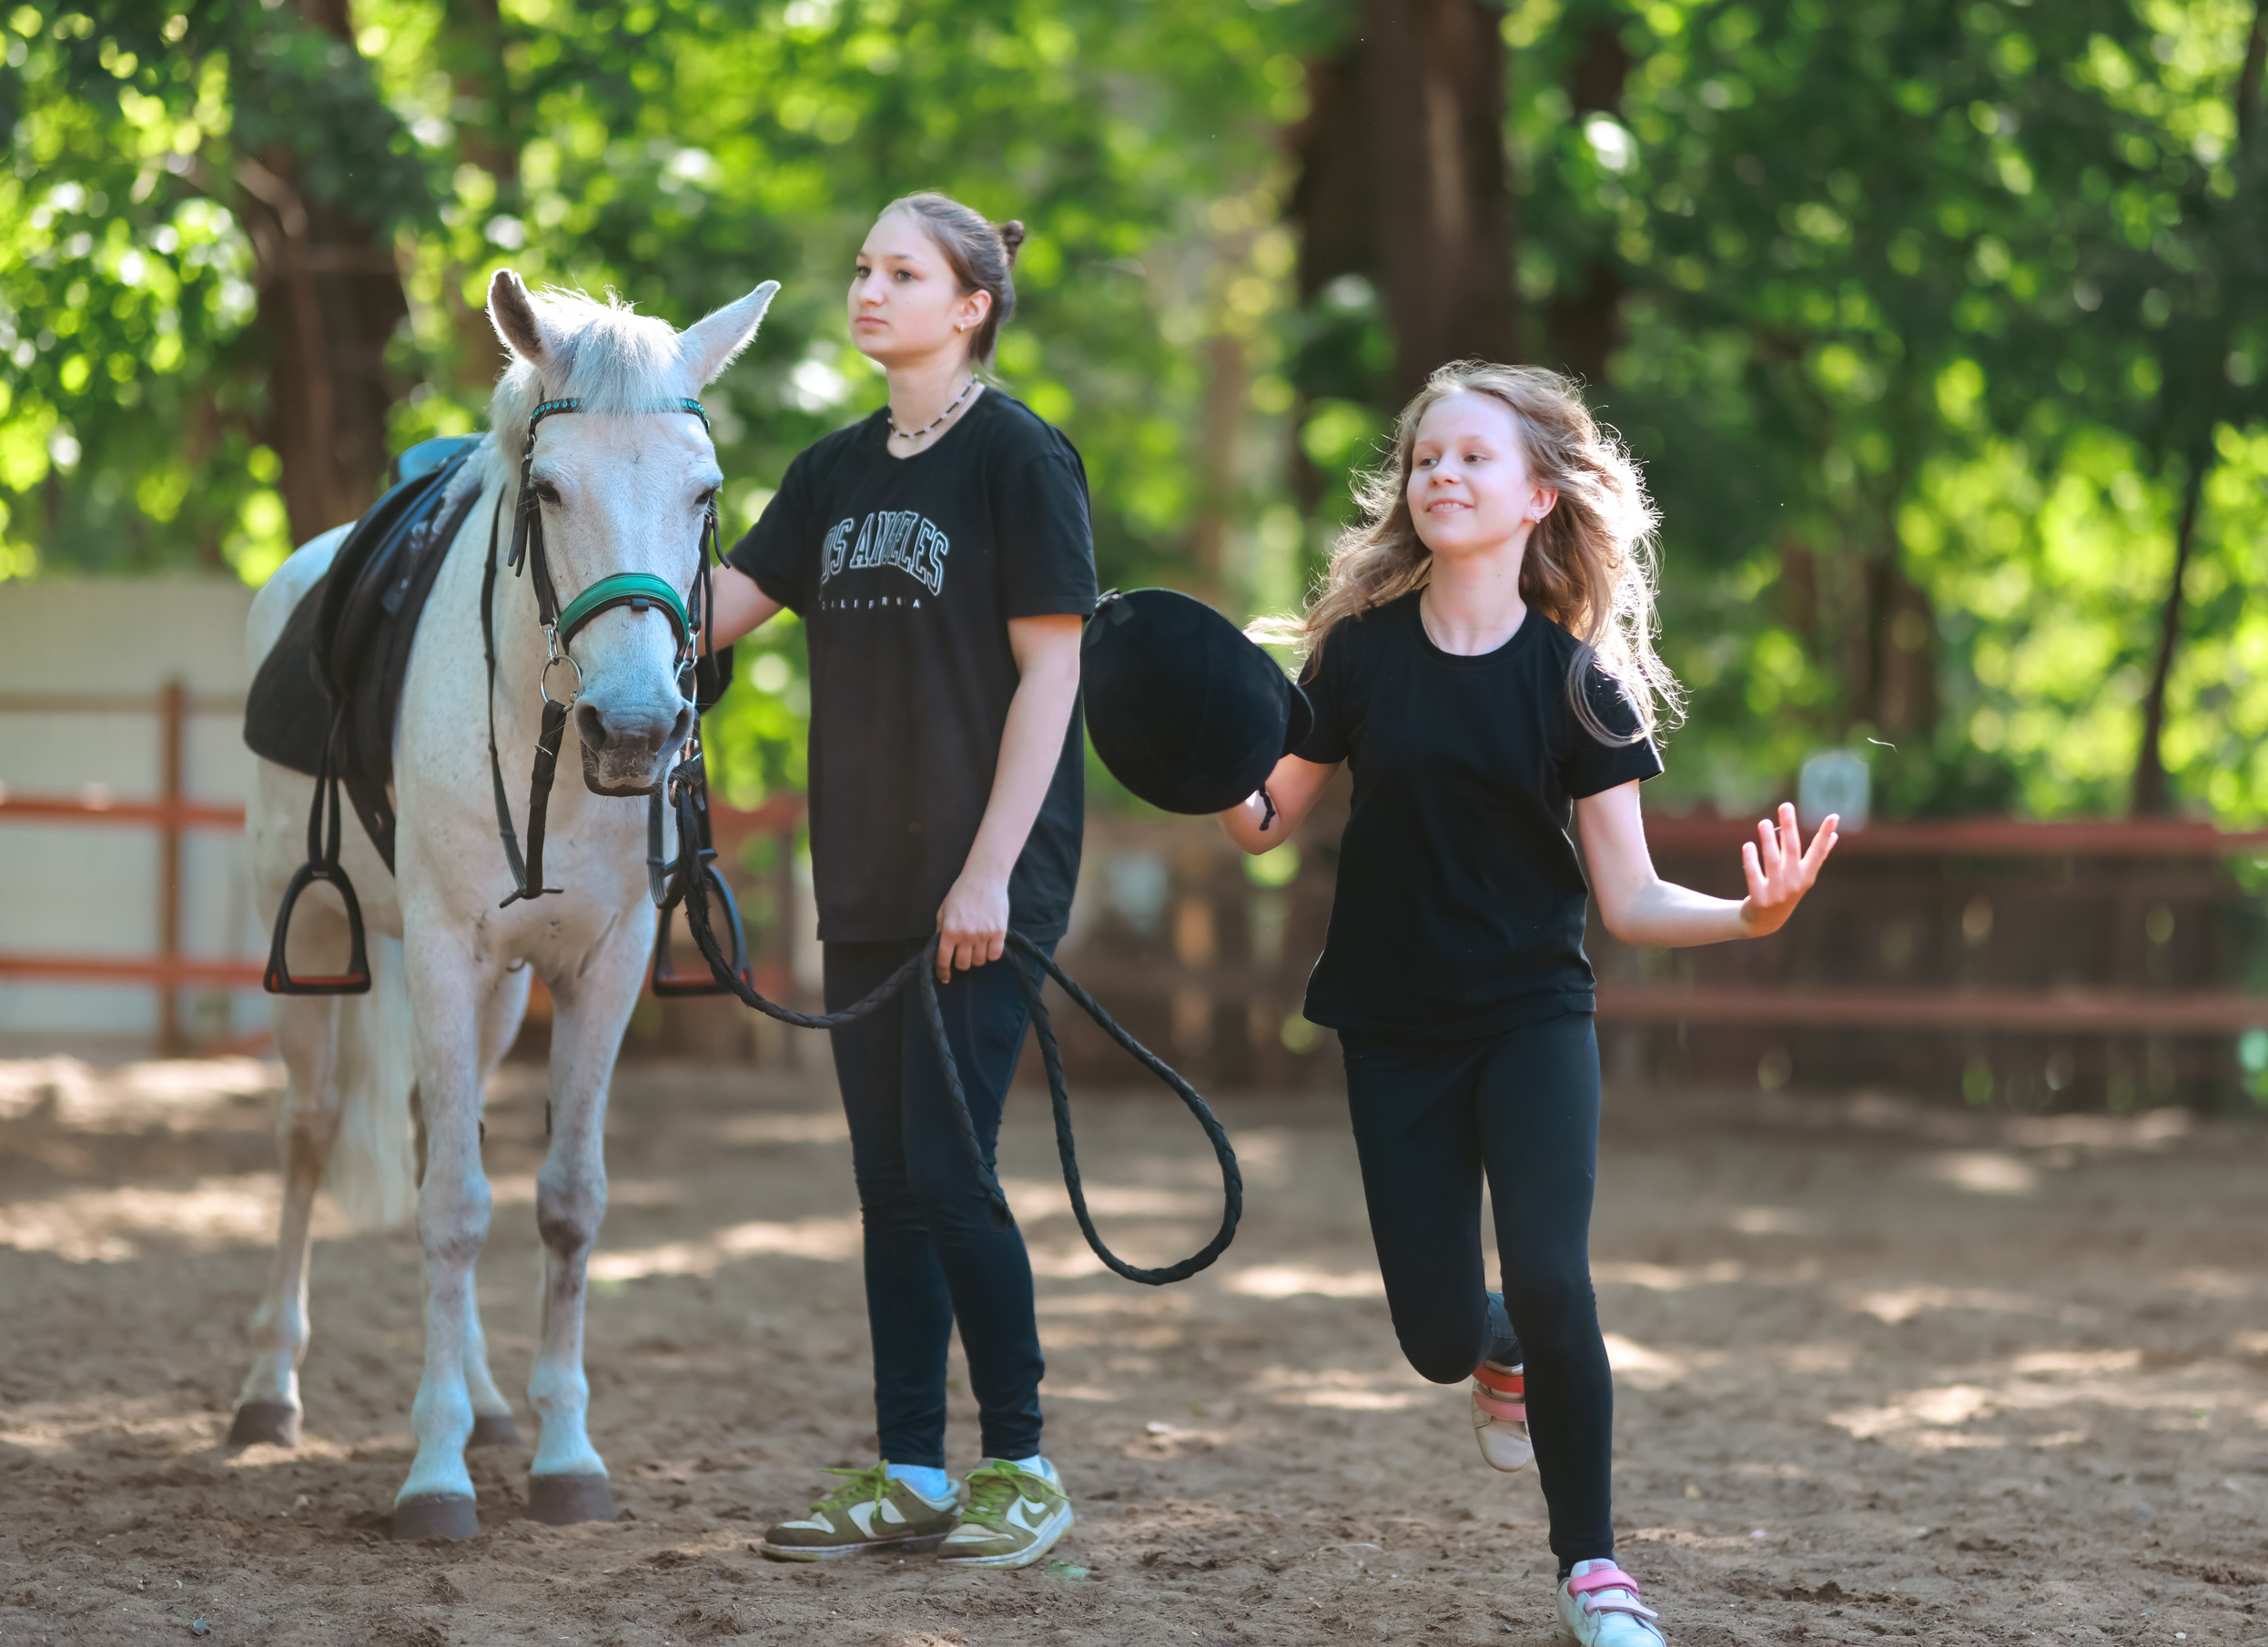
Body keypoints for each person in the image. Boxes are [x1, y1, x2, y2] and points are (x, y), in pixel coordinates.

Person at [1216, 362, 1837, 1647]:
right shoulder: (1358, 660)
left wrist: (1747, 917)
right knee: (1442, 1339)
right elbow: (1266, 823)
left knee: (1557, 1279)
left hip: (1531, 1018)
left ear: (1537, 498)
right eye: (1423, 459)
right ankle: (1490, 1352)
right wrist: (1201, 740)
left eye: (1472, 459)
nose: (1440, 474)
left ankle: (1594, 1572)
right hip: (1392, 1033)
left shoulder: (1575, 684)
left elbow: (1632, 898)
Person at [697, 193, 1096, 1569]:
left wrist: (989, 875)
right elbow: (712, 614)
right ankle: (912, 1470)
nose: (869, 290)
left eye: (901, 272)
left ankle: (1026, 1466)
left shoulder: (1019, 459)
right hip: (864, 879)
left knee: (949, 1167)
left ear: (970, 303)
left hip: (987, 886)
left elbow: (1055, 674)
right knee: (889, 1179)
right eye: (862, 268)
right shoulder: (829, 473)